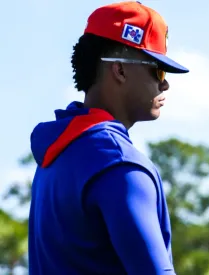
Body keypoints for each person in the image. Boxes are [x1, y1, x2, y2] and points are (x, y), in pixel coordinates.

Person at [28, 1, 188, 274]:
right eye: (157, 70)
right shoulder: (118, 164)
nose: (165, 83)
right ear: (120, 70)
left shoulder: (57, 152)